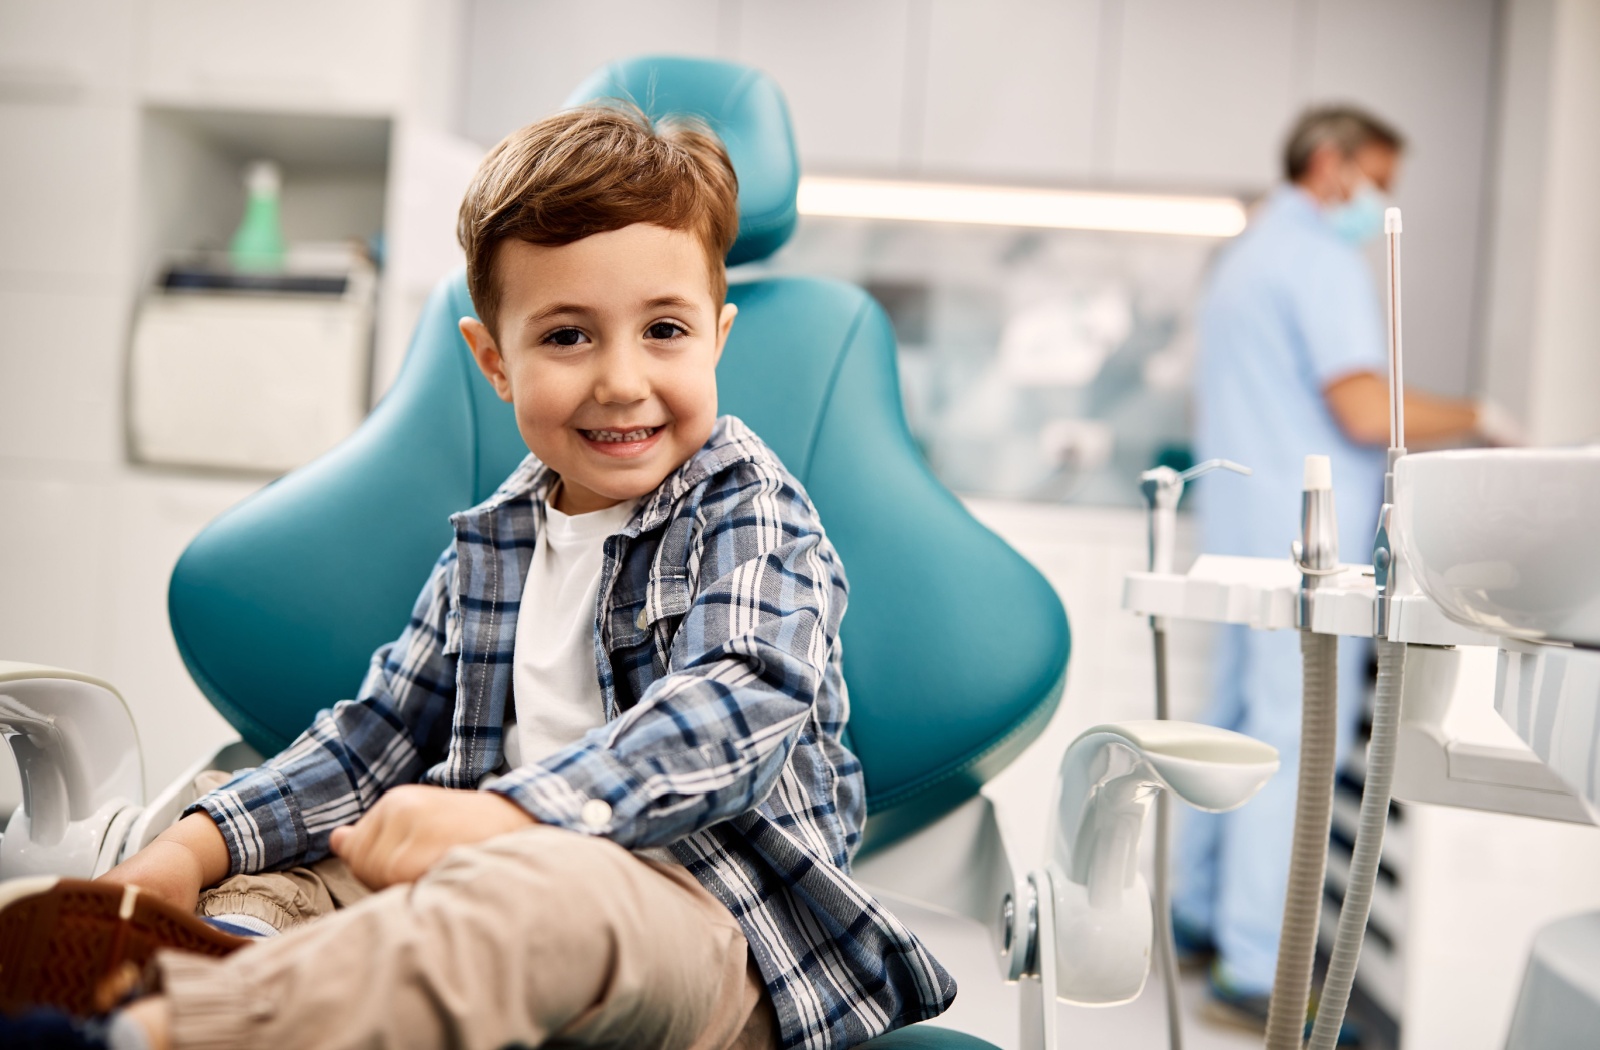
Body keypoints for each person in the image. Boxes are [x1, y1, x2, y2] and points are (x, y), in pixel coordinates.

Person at [0, 104, 954, 1050]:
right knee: (275, 876)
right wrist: (185, 847)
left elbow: (733, 707)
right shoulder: (495, 541)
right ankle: (255, 962)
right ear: (494, 360)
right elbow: (376, 737)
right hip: (483, 883)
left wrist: (504, 816)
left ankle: (150, 1037)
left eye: (664, 329)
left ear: (717, 338)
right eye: (568, 337)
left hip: (699, 922)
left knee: (523, 907)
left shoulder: (752, 513)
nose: (622, 379)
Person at [1173, 106, 1508, 1035]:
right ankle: (1255, 970)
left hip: (1244, 535)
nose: (1381, 203)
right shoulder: (1317, 258)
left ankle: (1197, 922)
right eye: (1379, 181)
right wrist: (1481, 412)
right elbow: (1364, 410)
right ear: (1331, 167)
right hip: (1302, 546)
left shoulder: (1244, 256)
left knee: (1232, 727)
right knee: (1289, 744)